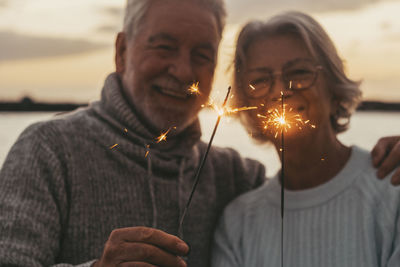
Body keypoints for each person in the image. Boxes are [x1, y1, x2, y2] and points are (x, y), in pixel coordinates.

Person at [0, 1, 399, 266]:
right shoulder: (47, 150)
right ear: (122, 51)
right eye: (165, 46)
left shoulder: (233, 177)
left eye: (202, 55)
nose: (184, 71)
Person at [211, 11, 400, 267]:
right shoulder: (238, 224)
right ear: (246, 105)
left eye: (299, 73)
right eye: (260, 80)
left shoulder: (391, 192)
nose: (280, 91)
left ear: (334, 88)